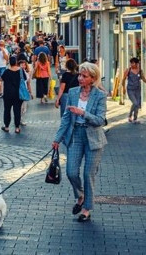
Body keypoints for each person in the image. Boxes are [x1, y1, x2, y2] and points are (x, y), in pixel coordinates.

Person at [52, 62, 108, 223]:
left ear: (93, 78)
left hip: (93, 138)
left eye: (84, 76)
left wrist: (83, 113)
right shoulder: (73, 92)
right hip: (75, 135)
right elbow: (66, 118)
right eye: (80, 75)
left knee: (88, 174)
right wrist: (57, 138)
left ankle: (86, 209)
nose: (80, 78)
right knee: (71, 172)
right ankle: (80, 195)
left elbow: (99, 120)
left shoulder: (100, 95)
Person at [0, 55, 25, 133]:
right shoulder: (20, 70)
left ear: (9, 63)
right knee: (17, 110)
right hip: (18, 94)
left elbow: (1, 79)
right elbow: (24, 79)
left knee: (7, 110)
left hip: (8, 94)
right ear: (16, 62)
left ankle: (6, 126)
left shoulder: (7, 71)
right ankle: (17, 127)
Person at [125, 57, 146, 123]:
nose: (131, 64)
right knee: (135, 103)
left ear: (136, 64)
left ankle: (135, 118)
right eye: (131, 63)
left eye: (133, 63)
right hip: (130, 89)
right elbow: (123, 79)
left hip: (137, 89)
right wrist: (123, 89)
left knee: (137, 104)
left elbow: (143, 78)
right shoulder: (128, 70)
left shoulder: (140, 71)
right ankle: (130, 116)